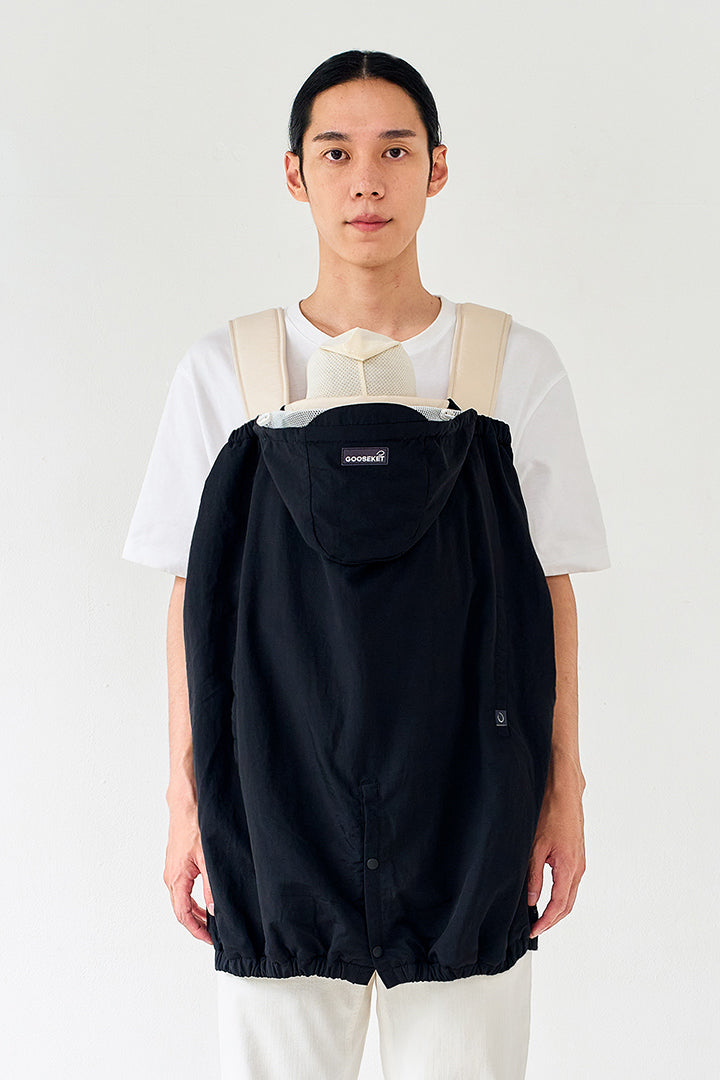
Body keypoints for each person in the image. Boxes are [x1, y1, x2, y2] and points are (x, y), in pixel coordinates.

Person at [123, 49, 611, 1080]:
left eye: (394, 151)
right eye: (336, 152)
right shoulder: (228, 371)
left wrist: (563, 788)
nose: (366, 181)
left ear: (438, 167)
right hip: (273, 812)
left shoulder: (511, 365)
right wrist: (184, 801)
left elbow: (551, 589)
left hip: (472, 812)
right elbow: (190, 601)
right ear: (295, 173)